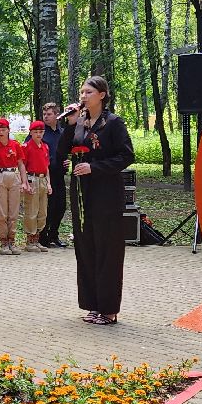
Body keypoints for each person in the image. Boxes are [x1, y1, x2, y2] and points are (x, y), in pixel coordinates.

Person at [60, 75, 135, 325]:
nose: (83, 96)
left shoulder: (113, 123)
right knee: (87, 249)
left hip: (106, 194)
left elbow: (126, 156)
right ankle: (92, 305)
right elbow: (61, 152)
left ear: (102, 95)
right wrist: (70, 124)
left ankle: (109, 309)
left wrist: (95, 168)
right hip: (82, 194)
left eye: (88, 92)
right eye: (81, 92)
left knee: (108, 250)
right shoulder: (79, 123)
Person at [0, 118, 22, 255]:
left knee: (13, 211)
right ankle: (3, 241)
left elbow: (21, 164)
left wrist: (23, 181)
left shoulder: (15, 145)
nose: (1, 132)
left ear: (8, 130)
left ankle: (12, 239)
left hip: (13, 175)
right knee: (1, 212)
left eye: (3, 130)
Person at [38, 102, 69, 248]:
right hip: (44, 176)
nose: (46, 116)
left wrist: (67, 161)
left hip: (59, 176)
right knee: (47, 208)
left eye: (49, 114)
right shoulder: (39, 132)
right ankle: (42, 237)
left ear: (57, 115)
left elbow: (68, 150)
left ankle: (54, 235)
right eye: (44, 114)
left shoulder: (62, 133)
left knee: (60, 206)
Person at [19, 121, 53, 253]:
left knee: (42, 211)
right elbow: (22, 166)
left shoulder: (45, 146)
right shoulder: (26, 147)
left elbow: (47, 167)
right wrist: (25, 182)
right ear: (31, 133)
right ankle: (29, 240)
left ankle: (37, 239)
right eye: (35, 132)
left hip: (43, 179)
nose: (38, 134)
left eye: (41, 132)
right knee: (31, 210)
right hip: (32, 178)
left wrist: (49, 183)